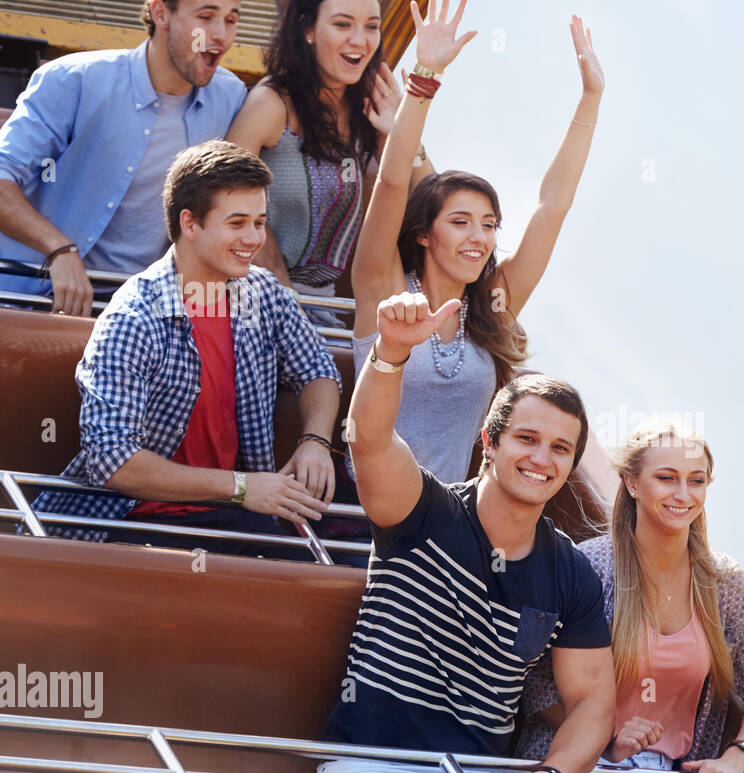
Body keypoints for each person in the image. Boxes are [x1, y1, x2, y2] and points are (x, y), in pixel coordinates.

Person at [310, 288, 615, 773]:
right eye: (527, 438)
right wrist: (391, 353)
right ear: (489, 444)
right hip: (374, 769)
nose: (541, 458)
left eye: (560, 448)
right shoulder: (424, 508)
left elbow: (592, 700)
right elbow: (370, 441)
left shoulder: (571, 572)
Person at [28, 141, 344, 559]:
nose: (253, 239)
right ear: (190, 223)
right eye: (237, 223)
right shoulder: (134, 316)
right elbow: (113, 460)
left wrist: (314, 441)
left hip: (238, 517)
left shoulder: (262, 293)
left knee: (343, 574)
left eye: (259, 222)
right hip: (136, 521)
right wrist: (243, 487)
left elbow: (318, 371)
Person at [347, 0, 604, 485]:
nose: (479, 237)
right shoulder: (384, 286)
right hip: (362, 514)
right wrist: (424, 77)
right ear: (424, 233)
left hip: (444, 526)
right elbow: (392, 182)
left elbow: (553, 206)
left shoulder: (494, 306)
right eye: (461, 221)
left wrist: (590, 99)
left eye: (488, 224)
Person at [516, 420, 744, 773]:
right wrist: (606, 735)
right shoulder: (586, 568)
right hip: (573, 770)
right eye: (666, 479)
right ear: (630, 482)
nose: (683, 495)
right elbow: (533, 684)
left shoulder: (726, 583)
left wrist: (737, 758)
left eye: (696, 481)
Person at [0, 0, 248, 316]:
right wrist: (59, 250)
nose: (220, 36)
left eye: (230, 20)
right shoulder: (75, 79)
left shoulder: (231, 98)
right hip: (33, 298)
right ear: (160, 13)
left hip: (140, 312)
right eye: (206, 17)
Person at [226, 0, 434, 328]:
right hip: (251, 304)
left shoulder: (367, 107)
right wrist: (285, 302)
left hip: (327, 310)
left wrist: (402, 134)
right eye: (342, 25)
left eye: (371, 26)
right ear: (308, 29)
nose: (359, 40)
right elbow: (225, 199)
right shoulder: (272, 103)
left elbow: (433, 209)